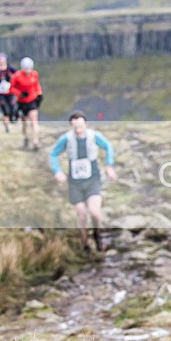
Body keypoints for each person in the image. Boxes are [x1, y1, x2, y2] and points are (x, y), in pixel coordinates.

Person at [49, 110, 116, 256]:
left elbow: (108, 146)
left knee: (95, 212)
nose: (78, 130)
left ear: (86, 124)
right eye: (75, 127)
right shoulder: (66, 139)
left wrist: (109, 166)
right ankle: (84, 244)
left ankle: (99, 235)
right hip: (75, 183)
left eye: (80, 126)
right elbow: (53, 154)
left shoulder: (94, 136)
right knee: (81, 214)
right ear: (71, 126)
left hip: (93, 179)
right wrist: (57, 171)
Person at [9, 57, 43, 150]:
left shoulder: (34, 74)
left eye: (29, 68)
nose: (28, 71)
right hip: (21, 102)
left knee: (34, 121)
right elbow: (11, 88)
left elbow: (36, 84)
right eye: (25, 69)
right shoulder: (16, 76)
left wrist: (39, 93)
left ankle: (36, 142)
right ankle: (26, 137)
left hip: (32, 101)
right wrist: (19, 93)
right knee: (25, 123)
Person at [0, 53, 17, 132]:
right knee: (5, 110)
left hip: (10, 92)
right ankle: (7, 127)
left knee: (13, 107)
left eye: (3, 61)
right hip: (0, 94)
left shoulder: (10, 68)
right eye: (0, 61)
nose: (1, 62)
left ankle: (13, 118)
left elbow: (17, 76)